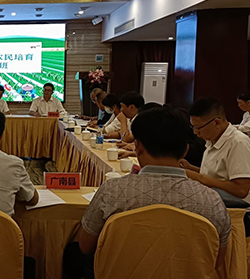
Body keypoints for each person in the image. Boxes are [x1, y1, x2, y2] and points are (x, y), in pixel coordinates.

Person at [64, 107, 231, 279]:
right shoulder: (212, 201)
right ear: (185, 151)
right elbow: (216, 260)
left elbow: (85, 246)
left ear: (137, 147)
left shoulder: (112, 191)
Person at [182, 98, 250, 206]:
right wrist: (190, 168)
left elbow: (241, 189)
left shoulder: (238, 143)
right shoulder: (212, 140)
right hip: (215, 202)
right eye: (193, 127)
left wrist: (199, 178)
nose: (195, 132)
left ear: (217, 122)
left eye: (198, 128)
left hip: (235, 207)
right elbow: (217, 176)